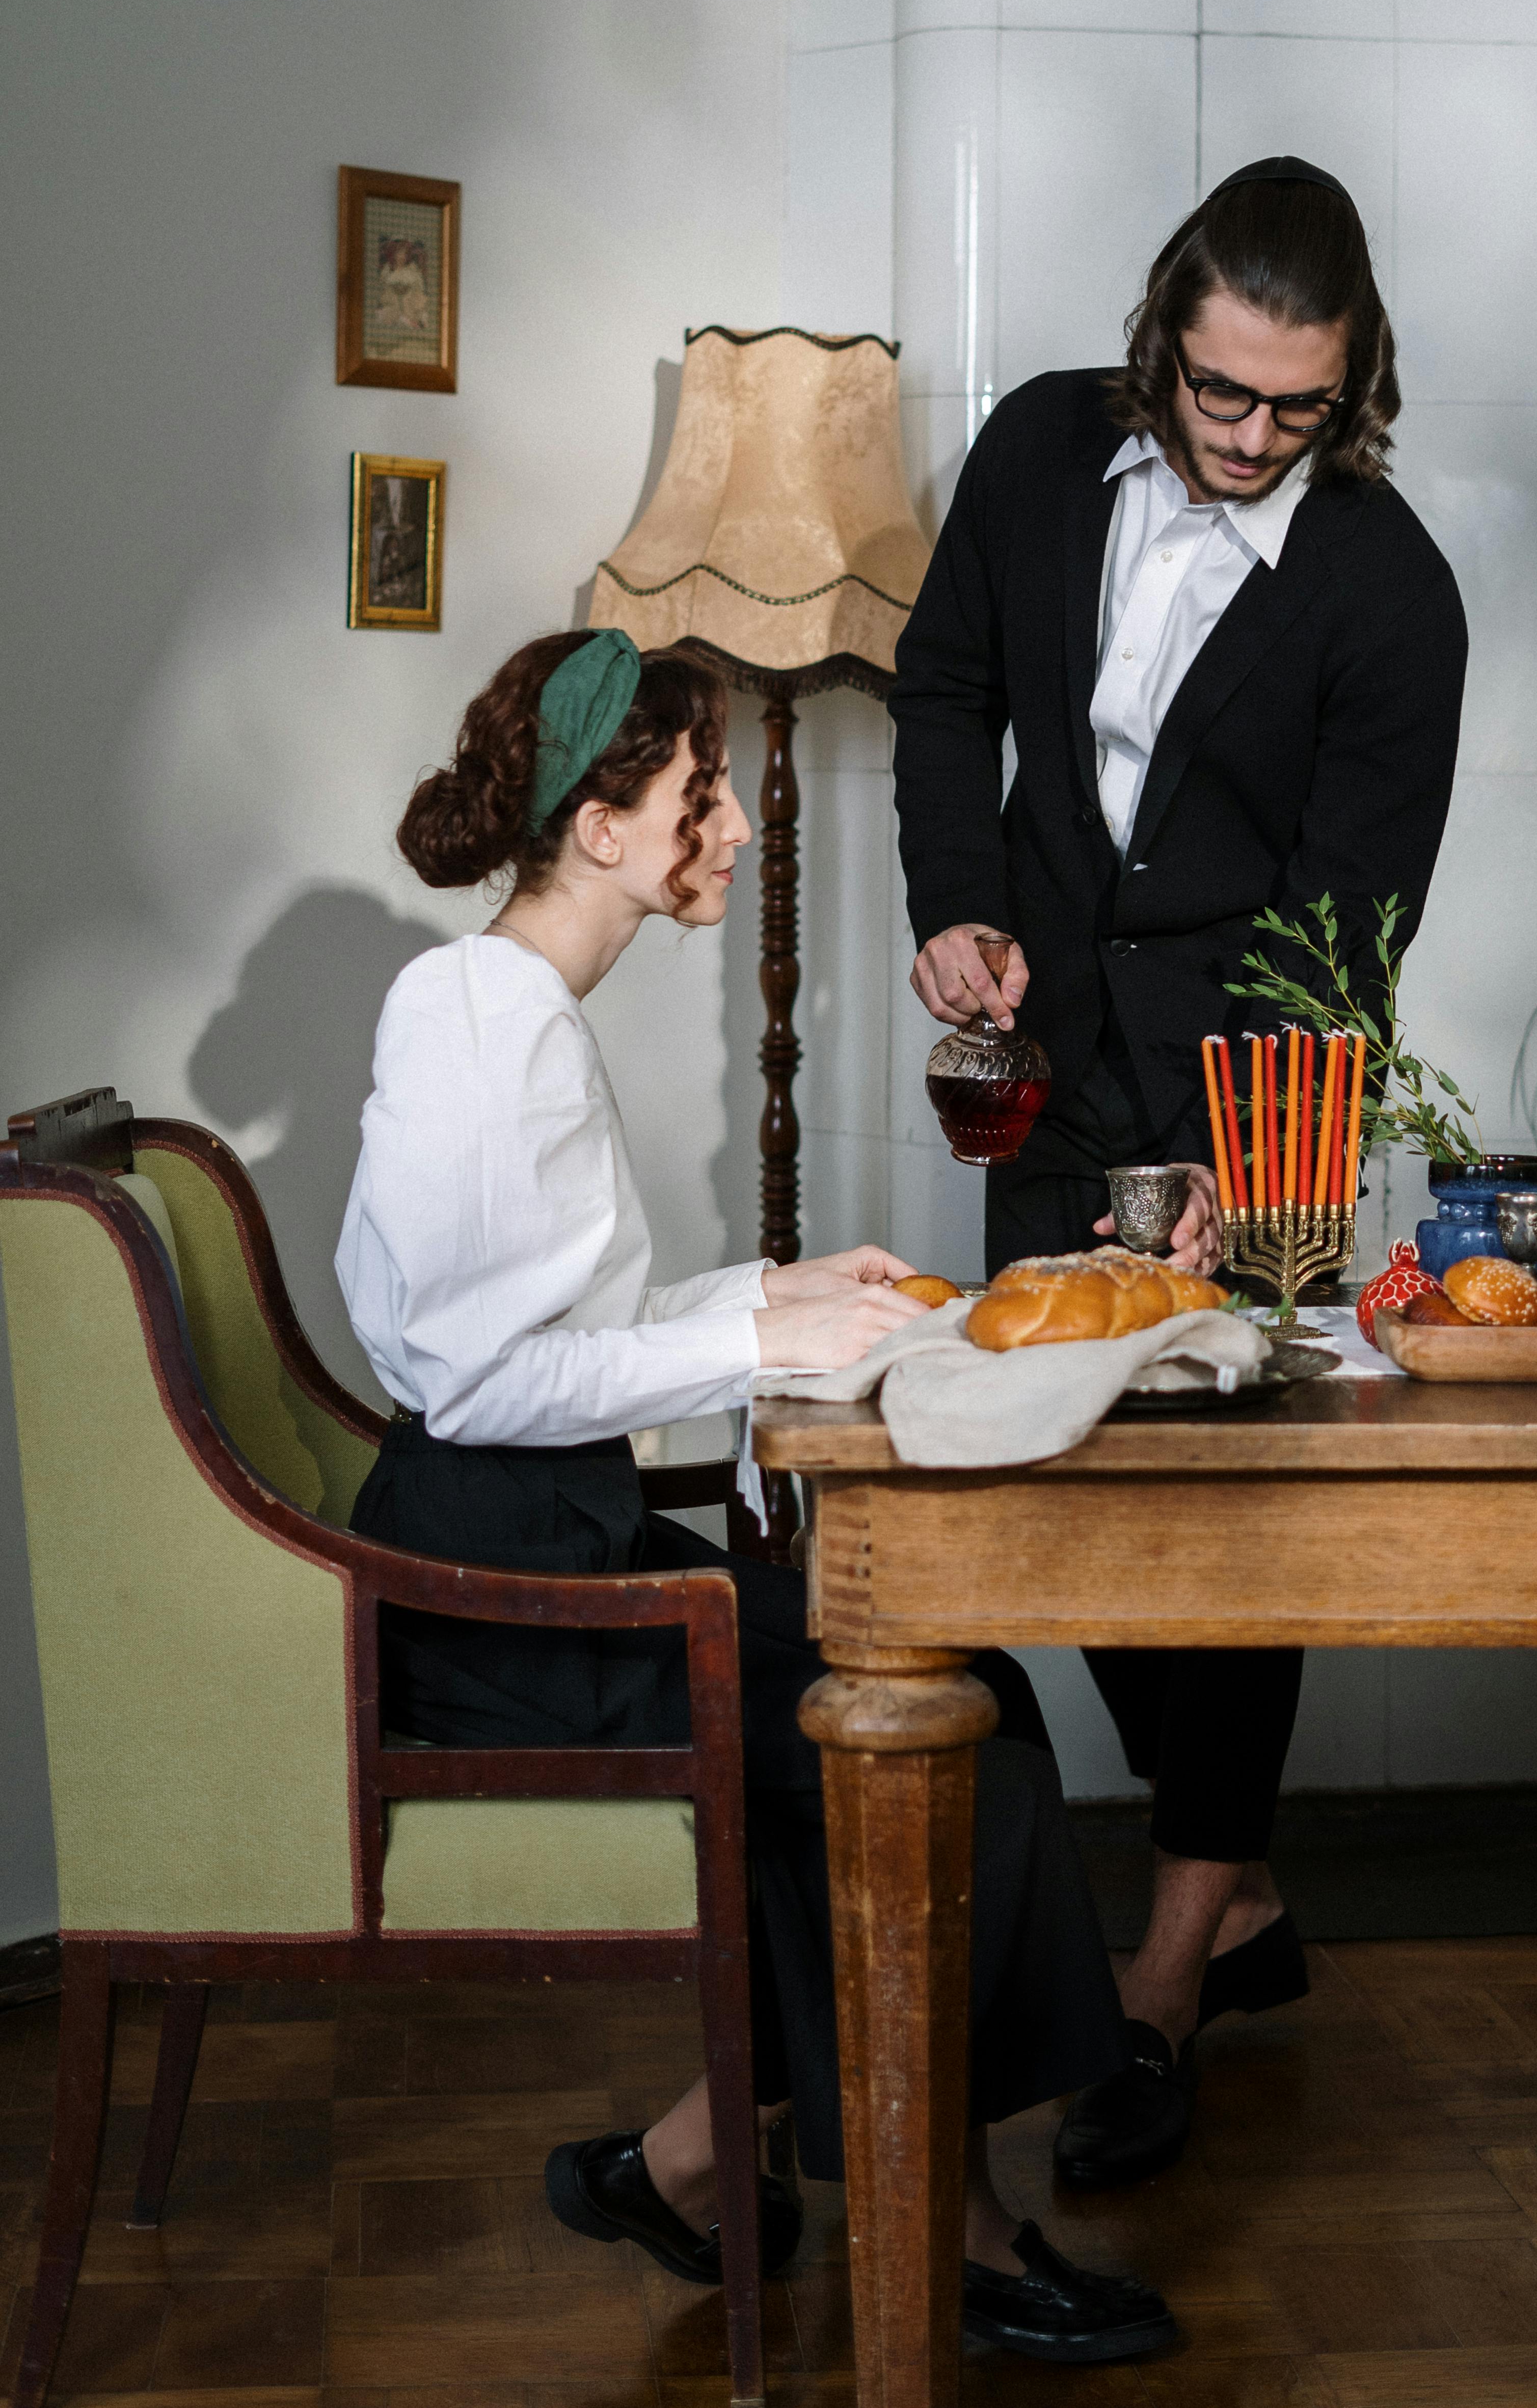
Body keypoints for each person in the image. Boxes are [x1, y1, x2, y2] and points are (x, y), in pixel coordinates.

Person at [335, 625, 1175, 2369]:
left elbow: (549, 1331)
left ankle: (697, 2160)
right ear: (601, 827)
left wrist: (780, 1295)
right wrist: (744, 1354)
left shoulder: (511, 1010)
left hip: (545, 1541)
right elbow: (477, 1379)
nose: (727, 830)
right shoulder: (480, 1025)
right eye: (700, 796)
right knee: (919, 1738)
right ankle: (946, 2226)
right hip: (505, 1600)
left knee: (952, 1689)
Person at [892, 156, 1468, 2187]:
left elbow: (1350, 926)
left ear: (1353, 383)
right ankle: (1241, 1897)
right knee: (1055, 1484)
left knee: (1226, 1545)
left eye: (1292, 409)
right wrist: (955, 902)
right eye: (1218, 394)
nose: (1244, 440)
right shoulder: (1044, 449)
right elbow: (951, 691)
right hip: (1047, 1075)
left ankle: (1164, 1966)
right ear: (1165, 340)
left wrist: (1257, 1169)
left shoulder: (1393, 592)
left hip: (1254, 1111)